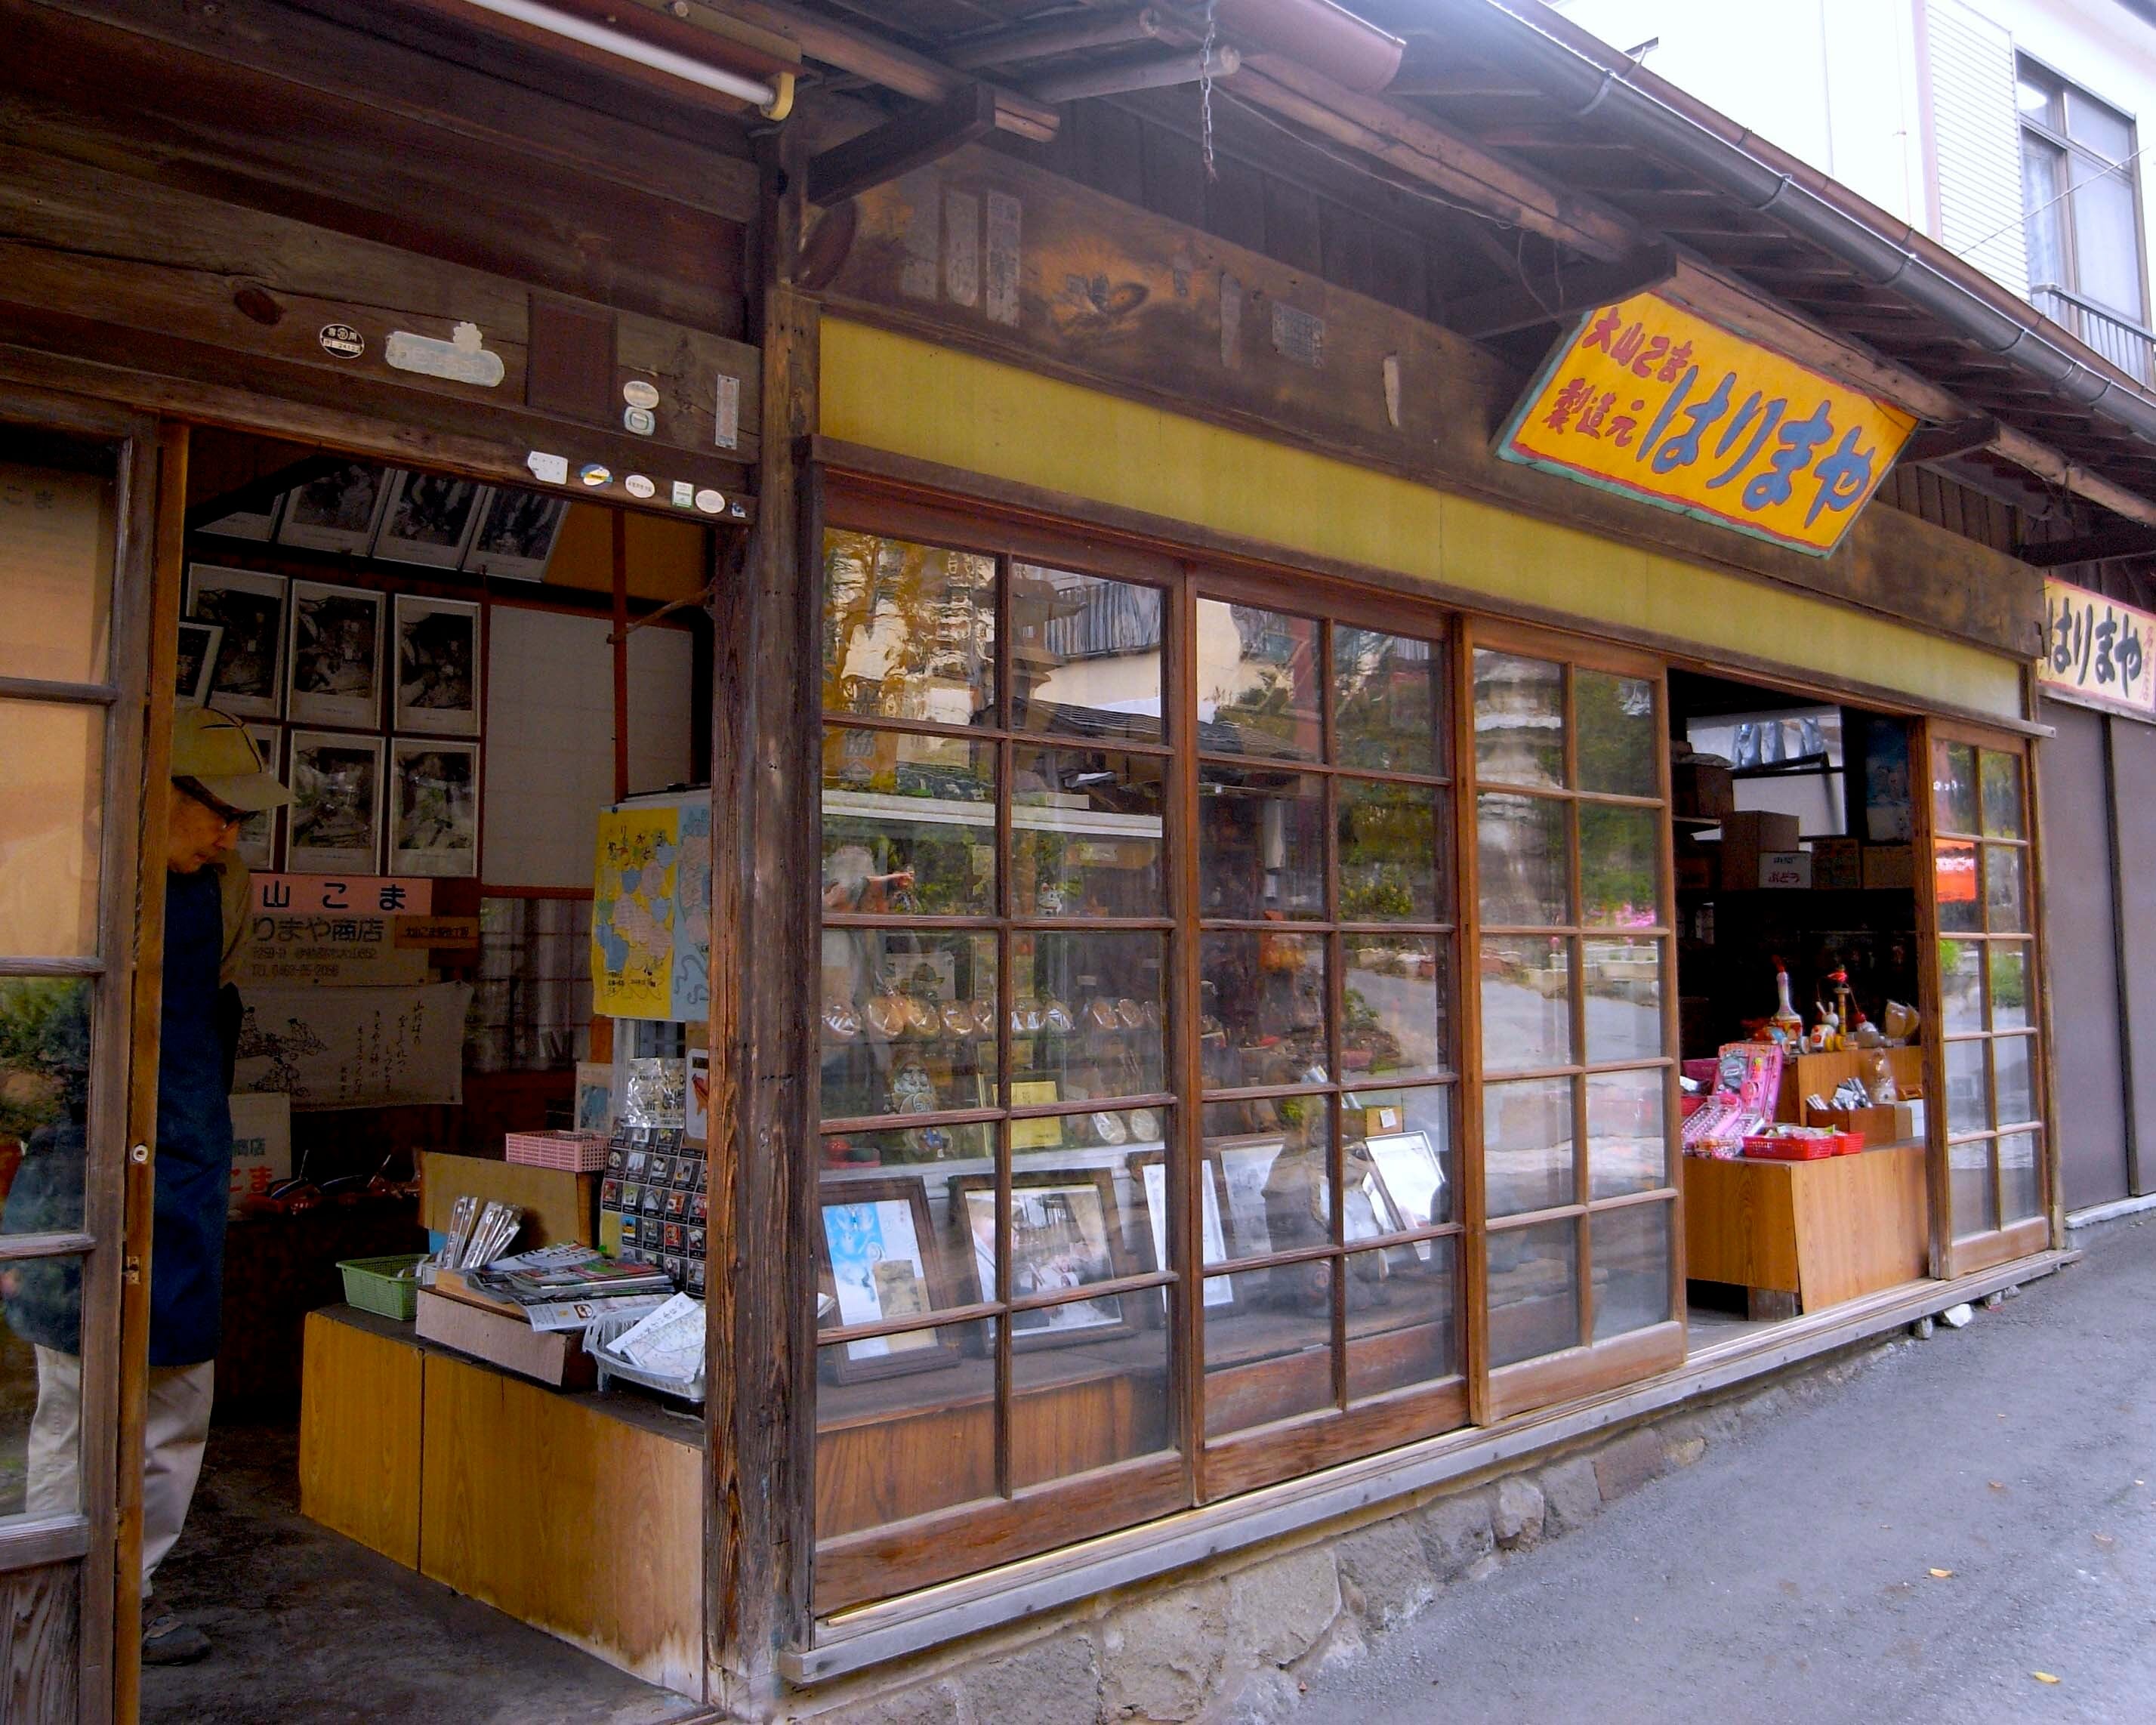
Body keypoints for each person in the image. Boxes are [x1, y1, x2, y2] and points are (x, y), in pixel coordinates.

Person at [4, 707, 287, 1666]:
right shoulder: (56, 876)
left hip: (186, 1161)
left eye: (240, 820)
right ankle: (51, 1595)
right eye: (215, 811)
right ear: (148, 790)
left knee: (174, 1397)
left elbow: (213, 1014)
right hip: (74, 1167)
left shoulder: (228, 888)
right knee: (77, 1399)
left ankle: (133, 1591)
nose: (229, 834)